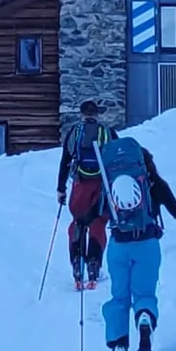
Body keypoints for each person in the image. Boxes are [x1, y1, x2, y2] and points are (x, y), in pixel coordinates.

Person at [97, 131, 176, 351]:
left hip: (118, 246)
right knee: (145, 294)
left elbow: (97, 214)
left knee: (119, 297)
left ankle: (119, 349)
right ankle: (144, 320)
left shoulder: (110, 185)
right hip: (148, 245)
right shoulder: (157, 185)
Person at [55, 100, 111, 292]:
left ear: (81, 114)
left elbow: (65, 160)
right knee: (98, 223)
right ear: (97, 114)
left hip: (79, 186)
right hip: (100, 187)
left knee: (77, 223)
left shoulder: (75, 132)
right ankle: (94, 267)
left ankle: (77, 266)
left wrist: (60, 188)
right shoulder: (106, 131)